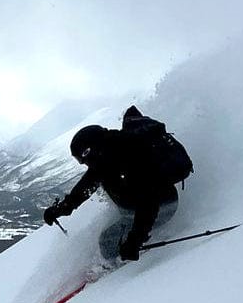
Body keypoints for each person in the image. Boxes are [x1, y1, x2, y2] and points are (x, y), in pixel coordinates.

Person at [42, 106, 183, 262]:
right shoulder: (105, 160)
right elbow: (84, 188)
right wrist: (61, 209)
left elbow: (149, 201)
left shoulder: (129, 157)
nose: (84, 163)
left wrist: (136, 239)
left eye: (83, 157)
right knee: (108, 240)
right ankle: (121, 255)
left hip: (163, 207)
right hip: (140, 210)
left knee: (107, 242)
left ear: (92, 149)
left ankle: (118, 270)